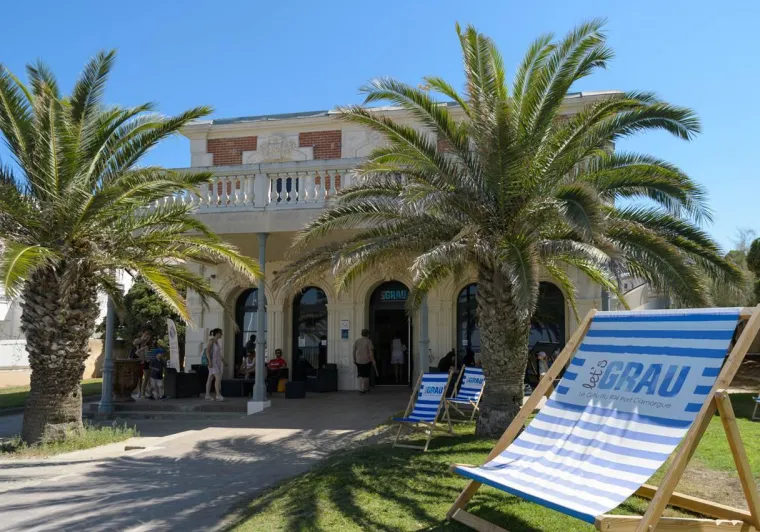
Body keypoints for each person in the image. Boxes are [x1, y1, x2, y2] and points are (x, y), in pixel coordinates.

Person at [353, 329, 375, 395]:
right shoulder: (368, 341)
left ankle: (360, 389)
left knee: (360, 374)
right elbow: (370, 352)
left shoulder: (357, 341)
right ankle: (365, 388)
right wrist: (373, 360)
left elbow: (354, 351)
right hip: (367, 360)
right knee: (366, 375)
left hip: (358, 360)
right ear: (367, 334)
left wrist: (354, 359)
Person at [205, 328, 224, 401]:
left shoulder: (217, 342)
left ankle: (207, 395)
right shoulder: (211, 341)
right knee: (218, 378)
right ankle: (218, 395)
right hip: (213, 363)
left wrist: (224, 361)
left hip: (217, 363)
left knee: (210, 379)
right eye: (221, 333)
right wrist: (210, 361)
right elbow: (207, 351)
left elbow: (218, 354)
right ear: (217, 333)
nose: (221, 334)